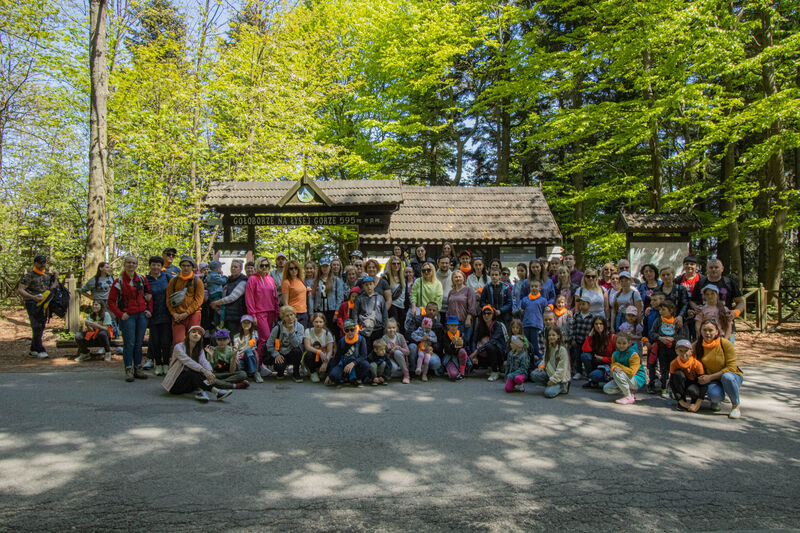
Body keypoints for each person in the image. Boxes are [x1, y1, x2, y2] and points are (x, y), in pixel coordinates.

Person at [108, 255, 152, 382]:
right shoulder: (119, 282)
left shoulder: (142, 279)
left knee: (139, 343)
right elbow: (111, 301)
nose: (131, 265)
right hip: (128, 316)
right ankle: (128, 369)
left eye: (133, 263)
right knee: (129, 343)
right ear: (124, 264)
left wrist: (149, 310)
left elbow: (149, 295)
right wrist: (120, 314)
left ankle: (138, 368)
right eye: (128, 263)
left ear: (136, 265)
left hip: (142, 315)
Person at [161, 325, 232, 403]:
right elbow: (188, 361)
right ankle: (216, 391)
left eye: (199, 333)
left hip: (189, 385)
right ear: (188, 335)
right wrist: (204, 371)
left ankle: (200, 392)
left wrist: (210, 372)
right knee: (194, 371)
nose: (196, 334)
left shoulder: (199, 350)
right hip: (174, 385)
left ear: (200, 337)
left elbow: (203, 361)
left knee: (201, 371)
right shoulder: (179, 347)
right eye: (193, 332)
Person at [695, 320, 743, 418]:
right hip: (713, 380)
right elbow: (685, 354)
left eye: (710, 330)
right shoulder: (697, 345)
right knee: (714, 395)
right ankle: (717, 400)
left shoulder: (725, 343)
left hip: (731, 376)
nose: (707, 333)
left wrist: (710, 377)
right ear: (700, 331)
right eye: (704, 330)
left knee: (727, 377)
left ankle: (735, 405)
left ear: (717, 332)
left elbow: (731, 367)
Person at [17, 255, 60, 359]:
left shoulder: (46, 276)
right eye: (40, 262)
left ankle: (33, 349)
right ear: (35, 263)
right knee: (36, 325)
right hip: (32, 303)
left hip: (44, 304)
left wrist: (56, 278)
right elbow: (21, 289)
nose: (43, 265)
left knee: (41, 325)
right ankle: (40, 349)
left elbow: (52, 288)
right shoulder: (29, 276)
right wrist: (32, 297)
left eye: (44, 262)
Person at [165, 256, 204, 346]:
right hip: (177, 316)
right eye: (183, 265)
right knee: (178, 342)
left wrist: (186, 313)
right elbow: (168, 299)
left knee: (193, 342)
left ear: (192, 267)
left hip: (193, 314)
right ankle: (177, 360)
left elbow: (199, 300)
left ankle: (193, 359)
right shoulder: (173, 281)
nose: (186, 268)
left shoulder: (197, 281)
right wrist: (174, 314)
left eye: (188, 265)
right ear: (180, 266)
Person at [245, 257, 279, 356]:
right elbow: (249, 298)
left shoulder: (271, 279)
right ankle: (259, 365)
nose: (264, 267)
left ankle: (266, 363)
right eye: (262, 265)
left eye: (266, 265)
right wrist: (253, 315)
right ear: (257, 266)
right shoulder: (252, 279)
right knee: (265, 339)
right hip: (259, 313)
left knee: (270, 339)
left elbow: (275, 297)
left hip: (271, 312)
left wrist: (276, 313)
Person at [647, 299, 680, 397]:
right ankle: (664, 388)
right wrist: (660, 338)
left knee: (673, 369)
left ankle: (673, 388)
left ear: (671, 310)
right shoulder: (658, 320)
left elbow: (682, 334)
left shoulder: (676, 321)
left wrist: (673, 339)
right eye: (660, 309)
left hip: (674, 349)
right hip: (661, 348)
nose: (661, 311)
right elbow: (652, 333)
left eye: (663, 309)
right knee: (663, 369)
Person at [146, 256, 172, 376]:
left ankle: (166, 363)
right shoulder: (146, 280)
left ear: (161, 266)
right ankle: (158, 364)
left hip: (166, 313)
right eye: (153, 264)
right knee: (155, 341)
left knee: (166, 340)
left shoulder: (167, 277)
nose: (155, 267)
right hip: (153, 314)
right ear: (150, 265)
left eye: (158, 265)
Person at [603, 332, 646, 405]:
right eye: (619, 343)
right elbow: (612, 370)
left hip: (637, 378)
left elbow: (632, 372)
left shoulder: (633, 354)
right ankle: (630, 392)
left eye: (624, 343)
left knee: (617, 373)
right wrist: (614, 367)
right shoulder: (615, 354)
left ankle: (628, 397)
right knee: (607, 388)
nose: (621, 345)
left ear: (629, 343)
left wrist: (617, 366)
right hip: (625, 376)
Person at [264, 305, 305, 382]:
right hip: (280, 353)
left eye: (291, 315)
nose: (290, 318)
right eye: (287, 316)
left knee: (298, 351)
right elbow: (269, 344)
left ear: (294, 315)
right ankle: (280, 372)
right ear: (283, 318)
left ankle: (296, 372)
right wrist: (276, 354)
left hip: (292, 352)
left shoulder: (300, 327)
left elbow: (296, 344)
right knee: (279, 366)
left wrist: (291, 332)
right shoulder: (277, 328)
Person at [326, 319, 370, 386]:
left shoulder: (361, 339)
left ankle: (356, 377)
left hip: (356, 363)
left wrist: (353, 363)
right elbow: (337, 357)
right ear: (344, 331)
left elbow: (364, 356)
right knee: (333, 376)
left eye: (352, 330)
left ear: (355, 329)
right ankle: (345, 376)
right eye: (347, 330)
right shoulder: (342, 341)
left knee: (366, 365)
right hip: (344, 363)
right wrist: (329, 375)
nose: (350, 332)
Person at [530, 326, 571, 398]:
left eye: (553, 335)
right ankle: (551, 385)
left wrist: (553, 380)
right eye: (549, 335)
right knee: (534, 374)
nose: (551, 337)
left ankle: (562, 387)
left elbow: (562, 369)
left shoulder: (562, 350)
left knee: (548, 393)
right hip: (550, 374)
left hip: (560, 378)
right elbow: (544, 359)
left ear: (558, 336)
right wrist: (541, 366)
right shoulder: (549, 347)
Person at [516, 277, 549, 366]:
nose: (534, 288)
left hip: (537, 326)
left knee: (537, 347)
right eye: (532, 286)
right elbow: (522, 310)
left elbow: (544, 313)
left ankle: (538, 365)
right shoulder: (525, 300)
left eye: (536, 286)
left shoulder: (543, 300)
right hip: (526, 325)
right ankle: (527, 364)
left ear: (540, 288)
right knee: (526, 346)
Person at [469, 305, 507, 382]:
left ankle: (495, 371)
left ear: (493, 315)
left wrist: (477, 351)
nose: (486, 315)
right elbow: (474, 340)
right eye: (484, 313)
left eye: (489, 313)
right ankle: (488, 366)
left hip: (499, 353)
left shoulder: (498, 325)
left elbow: (492, 341)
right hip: (483, 353)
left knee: (490, 346)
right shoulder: (480, 326)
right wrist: (474, 354)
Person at [212, 259, 248, 336]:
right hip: (226, 315)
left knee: (233, 338)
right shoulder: (228, 280)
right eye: (232, 267)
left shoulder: (243, 282)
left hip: (236, 317)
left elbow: (232, 297)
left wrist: (216, 303)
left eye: (236, 267)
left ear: (240, 269)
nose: (233, 268)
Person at [669, 339, 706, 412]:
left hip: (694, 384)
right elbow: (672, 382)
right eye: (680, 351)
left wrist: (698, 403)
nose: (683, 354)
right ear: (676, 351)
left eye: (686, 351)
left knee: (693, 391)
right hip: (681, 383)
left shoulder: (697, 364)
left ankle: (694, 401)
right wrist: (680, 400)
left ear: (691, 351)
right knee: (678, 374)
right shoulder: (673, 363)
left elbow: (703, 383)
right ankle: (682, 400)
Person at [354, 275, 388, 351]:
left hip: (378, 328)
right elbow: (355, 313)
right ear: (363, 286)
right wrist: (356, 326)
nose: (369, 287)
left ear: (374, 285)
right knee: (366, 349)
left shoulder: (380, 297)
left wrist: (384, 326)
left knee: (378, 349)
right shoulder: (360, 298)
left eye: (370, 284)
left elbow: (384, 313)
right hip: (365, 329)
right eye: (366, 285)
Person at [581, 317, 616, 388]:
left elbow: (615, 357)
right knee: (585, 356)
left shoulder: (612, 337)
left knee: (594, 375)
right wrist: (589, 336)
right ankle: (592, 381)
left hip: (608, 364)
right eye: (596, 324)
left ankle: (611, 381)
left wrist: (602, 358)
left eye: (601, 324)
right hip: (597, 363)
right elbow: (585, 349)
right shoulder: (594, 336)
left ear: (605, 325)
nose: (598, 326)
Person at [447, 270, 477, 352]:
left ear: (464, 278)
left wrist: (469, 317)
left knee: (465, 342)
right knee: (455, 343)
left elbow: (472, 305)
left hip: (464, 321)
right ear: (452, 279)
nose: (458, 278)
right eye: (455, 277)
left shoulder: (468, 290)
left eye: (460, 277)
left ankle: (467, 362)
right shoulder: (451, 292)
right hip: (453, 323)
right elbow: (449, 307)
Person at [302, 312, 336, 383]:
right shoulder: (308, 331)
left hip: (323, 357)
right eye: (316, 322)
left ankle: (324, 372)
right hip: (313, 356)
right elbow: (307, 346)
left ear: (324, 323)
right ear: (313, 322)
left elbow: (330, 351)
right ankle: (312, 372)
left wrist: (326, 362)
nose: (318, 324)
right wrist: (319, 352)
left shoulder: (327, 333)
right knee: (309, 354)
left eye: (320, 322)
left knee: (332, 359)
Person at [313, 257, 345, 330]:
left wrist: (336, 313)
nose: (325, 268)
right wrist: (313, 311)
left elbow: (340, 298)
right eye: (323, 266)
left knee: (332, 331)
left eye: (326, 266)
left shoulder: (336, 280)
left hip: (332, 310)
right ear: (320, 267)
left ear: (330, 267)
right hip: (320, 310)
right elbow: (313, 297)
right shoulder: (317, 280)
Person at [568, 295, 594, 379]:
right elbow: (572, 327)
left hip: (587, 341)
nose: (581, 306)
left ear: (589, 305)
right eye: (580, 304)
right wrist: (572, 338)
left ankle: (588, 372)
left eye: (584, 304)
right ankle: (578, 372)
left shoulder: (592, 317)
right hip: (578, 339)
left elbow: (593, 330)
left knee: (587, 357)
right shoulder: (576, 315)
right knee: (577, 356)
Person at [656, 266, 689, 330]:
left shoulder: (680, 289)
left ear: (673, 275)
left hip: (677, 319)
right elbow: (654, 303)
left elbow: (685, 304)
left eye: (668, 274)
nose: (665, 277)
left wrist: (680, 316)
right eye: (663, 275)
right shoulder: (657, 290)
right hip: (661, 319)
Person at [234, 315, 262, 383]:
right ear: (241, 324)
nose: (246, 324)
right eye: (244, 322)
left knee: (249, 351)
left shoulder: (254, 334)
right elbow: (236, 347)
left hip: (249, 353)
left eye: (248, 323)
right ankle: (243, 375)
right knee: (238, 362)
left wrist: (242, 352)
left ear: (251, 324)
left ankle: (254, 372)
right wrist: (237, 354)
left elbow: (251, 346)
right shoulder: (236, 336)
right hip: (240, 355)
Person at [382, 318, 411, 383]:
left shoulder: (400, 337)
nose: (391, 330)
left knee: (397, 352)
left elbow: (407, 352)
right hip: (391, 362)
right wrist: (388, 350)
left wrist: (398, 348)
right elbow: (382, 354)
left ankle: (406, 375)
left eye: (393, 327)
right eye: (389, 328)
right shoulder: (384, 338)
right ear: (386, 329)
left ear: (396, 328)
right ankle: (392, 374)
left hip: (402, 362)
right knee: (394, 367)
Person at [383, 255, 407, 332]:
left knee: (402, 327)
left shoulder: (404, 276)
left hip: (402, 306)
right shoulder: (386, 277)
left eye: (398, 263)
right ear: (390, 265)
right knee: (394, 328)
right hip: (392, 306)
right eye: (394, 263)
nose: (396, 265)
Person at [441, 316, 468, 381]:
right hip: (450, 358)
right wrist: (453, 344)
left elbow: (465, 346)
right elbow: (447, 350)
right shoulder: (445, 336)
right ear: (448, 326)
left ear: (458, 326)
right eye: (451, 325)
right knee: (453, 375)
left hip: (460, 357)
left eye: (455, 325)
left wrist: (462, 344)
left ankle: (462, 372)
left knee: (462, 351)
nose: (454, 327)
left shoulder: (461, 334)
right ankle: (453, 370)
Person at [411, 317, 437, 381]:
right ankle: (418, 368)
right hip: (421, 348)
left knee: (426, 361)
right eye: (425, 328)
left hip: (428, 350)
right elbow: (413, 335)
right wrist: (421, 338)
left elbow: (435, 339)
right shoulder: (419, 330)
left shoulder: (432, 333)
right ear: (422, 326)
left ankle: (424, 375)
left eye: (429, 328)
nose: (427, 330)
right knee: (421, 355)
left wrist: (429, 338)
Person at [205, 260, 227, 326]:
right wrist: (224, 276)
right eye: (220, 268)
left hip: (212, 294)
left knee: (216, 309)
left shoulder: (209, 275)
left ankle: (215, 322)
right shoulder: (214, 276)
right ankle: (221, 322)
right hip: (216, 293)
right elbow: (223, 281)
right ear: (217, 268)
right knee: (222, 308)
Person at [436, 256, 453, 322]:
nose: (444, 265)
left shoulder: (454, 276)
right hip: (436, 309)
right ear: (438, 263)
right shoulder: (433, 276)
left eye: (446, 263)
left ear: (449, 264)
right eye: (442, 263)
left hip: (450, 309)